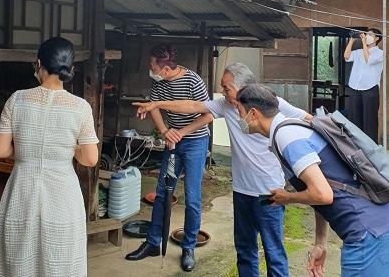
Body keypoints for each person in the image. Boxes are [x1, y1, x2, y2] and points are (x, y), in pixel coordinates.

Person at [135, 62, 310, 277]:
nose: (223, 91)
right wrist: (156, 105)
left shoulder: (273, 104)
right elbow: (193, 106)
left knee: (273, 252)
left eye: (226, 88)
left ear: (243, 87)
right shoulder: (225, 105)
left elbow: (307, 119)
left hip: (271, 192)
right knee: (244, 250)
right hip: (241, 191)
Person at [235, 83, 389, 277]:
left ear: (253, 114)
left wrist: (287, 198)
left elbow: (322, 194)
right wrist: (320, 243)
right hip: (378, 224)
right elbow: (323, 187)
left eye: (239, 111)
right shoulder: (294, 128)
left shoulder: (287, 138)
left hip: (368, 233)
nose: (239, 118)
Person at [0, 37, 99, 277]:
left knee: (18, 258)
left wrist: (25, 150)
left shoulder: (17, 99)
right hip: (63, 196)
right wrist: (70, 148)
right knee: (60, 261)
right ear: (71, 69)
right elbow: (90, 159)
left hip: (22, 191)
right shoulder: (80, 107)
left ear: (38, 64)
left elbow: (0, 151)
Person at [125, 44, 212, 272]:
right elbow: (153, 108)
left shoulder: (193, 81)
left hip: (195, 142)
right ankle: (153, 242)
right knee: (163, 192)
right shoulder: (159, 82)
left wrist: (181, 133)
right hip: (173, 143)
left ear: (164, 69)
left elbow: (209, 115)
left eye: (152, 65)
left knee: (192, 197)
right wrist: (165, 131)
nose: (150, 69)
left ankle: (188, 247)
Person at [344, 28, 383, 142]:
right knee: (354, 118)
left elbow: (368, 60)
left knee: (369, 120)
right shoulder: (358, 52)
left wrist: (364, 44)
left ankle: (371, 147)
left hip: (370, 89)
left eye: (370, 35)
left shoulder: (380, 53)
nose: (366, 36)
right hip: (354, 88)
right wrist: (352, 39)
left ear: (377, 38)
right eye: (366, 34)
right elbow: (346, 57)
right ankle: (355, 145)